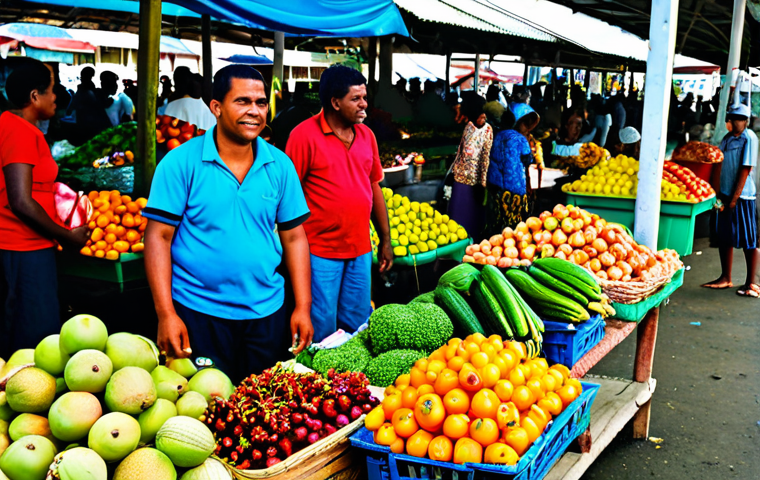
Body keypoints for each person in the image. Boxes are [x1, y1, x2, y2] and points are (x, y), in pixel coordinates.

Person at [143, 65, 313, 381]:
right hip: (197, 312)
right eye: (242, 101)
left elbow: (295, 238)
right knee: (208, 408)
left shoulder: (280, 165)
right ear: (217, 108)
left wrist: (302, 306)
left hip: (266, 312)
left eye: (261, 103)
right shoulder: (181, 162)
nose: (254, 111)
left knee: (262, 406)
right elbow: (157, 237)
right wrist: (166, 314)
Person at [286, 65, 392, 343]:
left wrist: (386, 239)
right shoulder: (303, 136)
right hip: (318, 252)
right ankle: (320, 382)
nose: (364, 104)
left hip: (359, 249)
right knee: (321, 330)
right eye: (356, 98)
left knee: (358, 327)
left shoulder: (366, 135)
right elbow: (288, 196)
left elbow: (374, 187)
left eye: (364, 97)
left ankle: (353, 382)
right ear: (335, 102)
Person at [0, 60, 89, 357]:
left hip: (21, 248)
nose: (57, 97)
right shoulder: (20, 131)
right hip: (22, 250)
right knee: (33, 344)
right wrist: (67, 236)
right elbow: (21, 201)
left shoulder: (11, 126)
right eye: (52, 90)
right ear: (35, 96)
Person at [702, 103, 758, 297]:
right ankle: (725, 277)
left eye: (737, 119)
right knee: (724, 236)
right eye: (731, 118)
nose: (733, 122)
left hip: (742, 197)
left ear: (745, 121)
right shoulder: (727, 139)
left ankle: (751, 283)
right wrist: (716, 193)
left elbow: (746, 168)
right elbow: (718, 164)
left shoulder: (749, 138)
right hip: (725, 195)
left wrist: (734, 198)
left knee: (748, 239)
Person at [485, 102, 540, 231]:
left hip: (496, 184)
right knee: (515, 220)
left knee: (498, 215)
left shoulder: (497, 135)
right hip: (515, 185)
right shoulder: (520, 139)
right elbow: (528, 159)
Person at [449, 96, 492, 237]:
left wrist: (482, 184)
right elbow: (460, 152)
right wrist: (454, 172)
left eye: (484, 113)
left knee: (473, 221)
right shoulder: (468, 127)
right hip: (460, 180)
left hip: (476, 184)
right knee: (457, 221)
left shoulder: (487, 130)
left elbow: (485, 158)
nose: (483, 116)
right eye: (480, 112)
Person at [66, 66, 110, 143]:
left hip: (85, 122)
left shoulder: (85, 90)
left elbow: (71, 108)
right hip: (88, 123)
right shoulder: (88, 91)